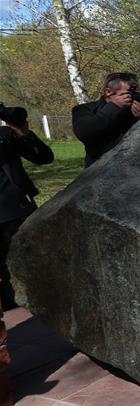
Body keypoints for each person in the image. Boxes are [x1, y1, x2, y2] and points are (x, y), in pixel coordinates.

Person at [0, 104, 53, 310]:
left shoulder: (5, 136)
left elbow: (44, 157)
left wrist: (23, 132)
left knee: (29, 268)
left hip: (15, 212)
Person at [72, 72, 140, 167]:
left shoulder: (138, 110)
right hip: (99, 172)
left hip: (138, 169)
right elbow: (85, 132)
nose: (133, 95)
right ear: (108, 92)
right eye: (129, 92)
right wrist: (114, 107)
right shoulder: (85, 109)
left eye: (135, 91)